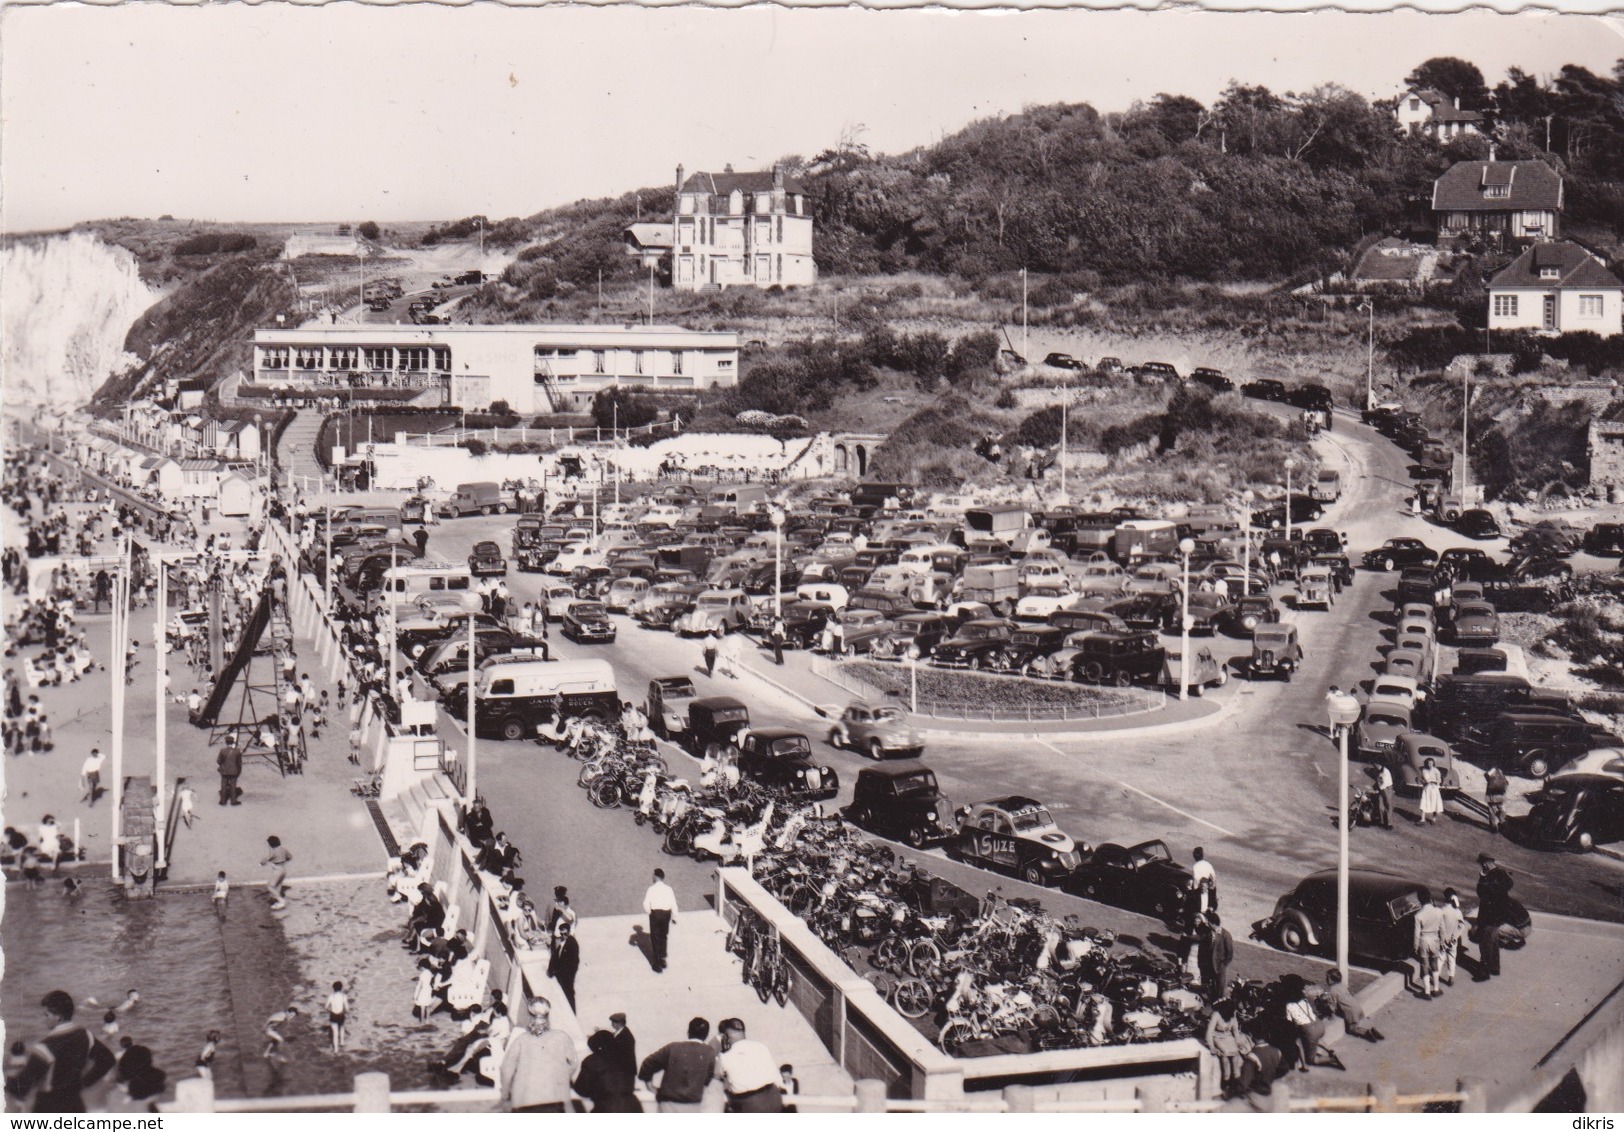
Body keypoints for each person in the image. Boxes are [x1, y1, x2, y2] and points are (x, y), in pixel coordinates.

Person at [5, 990, 117, 1112]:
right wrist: (84, 1083)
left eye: (47, 1014)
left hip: (48, 1106)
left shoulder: (45, 1048)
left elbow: (21, 1087)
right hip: (75, 1104)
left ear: (58, 1017)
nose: (44, 1018)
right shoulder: (85, 1035)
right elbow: (108, 1060)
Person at [498, 998, 579, 1113]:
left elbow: (506, 1069)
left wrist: (505, 1096)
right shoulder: (562, 1037)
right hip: (554, 1098)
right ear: (548, 1014)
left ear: (529, 1015)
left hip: (524, 1099)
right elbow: (573, 1063)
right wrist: (560, 1077)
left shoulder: (521, 1039)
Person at [639, 1017, 718, 1113]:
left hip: (668, 1104)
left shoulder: (673, 1047)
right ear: (706, 1035)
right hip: (693, 1105)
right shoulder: (709, 1052)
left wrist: (649, 1085)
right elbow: (707, 1079)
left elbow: (648, 1063)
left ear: (688, 1031)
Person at [716, 1019, 782, 1112]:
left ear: (726, 1037)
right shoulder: (760, 1046)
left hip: (752, 1103)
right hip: (774, 1096)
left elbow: (716, 1076)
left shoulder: (725, 1057)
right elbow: (775, 1075)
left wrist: (723, 1051)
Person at [574, 1030, 643, 1113]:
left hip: (606, 1107)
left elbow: (581, 1090)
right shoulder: (625, 1057)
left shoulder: (591, 1061)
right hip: (633, 1107)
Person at [1475, 854, 1514, 980]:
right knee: (1494, 941)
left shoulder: (1488, 877)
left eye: (1482, 864)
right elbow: (1510, 884)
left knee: (1486, 943)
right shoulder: (1502, 874)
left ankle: (1484, 972)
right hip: (1499, 914)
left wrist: (1481, 877)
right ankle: (1494, 967)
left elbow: (1481, 892)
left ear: (1485, 863)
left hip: (1488, 915)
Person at [1204, 998, 1255, 1092]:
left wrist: (1238, 1042)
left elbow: (1235, 1031)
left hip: (1228, 1037)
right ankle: (1226, 1078)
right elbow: (1209, 1032)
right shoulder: (1216, 1015)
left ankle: (1236, 1078)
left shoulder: (1233, 1014)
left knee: (1235, 1052)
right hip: (1218, 1037)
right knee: (1225, 1054)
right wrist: (1212, 1047)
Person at [1322, 969, 1383, 1042]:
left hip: (1350, 1011)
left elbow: (1332, 1006)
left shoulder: (1332, 990)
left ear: (1332, 980)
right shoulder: (1342, 985)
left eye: (1327, 978)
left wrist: (1327, 1007)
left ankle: (1366, 1033)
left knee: (1351, 1029)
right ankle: (1372, 1031)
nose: (1326, 980)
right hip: (1357, 1007)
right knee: (1355, 1025)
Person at [1413, 887, 1446, 998]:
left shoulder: (1418, 915)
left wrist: (1415, 946)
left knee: (1425, 965)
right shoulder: (1439, 911)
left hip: (1423, 940)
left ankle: (1426, 992)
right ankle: (1436, 989)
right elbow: (1442, 928)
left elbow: (1416, 934)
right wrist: (1442, 941)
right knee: (1434, 963)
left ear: (1420, 900)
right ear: (1430, 898)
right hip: (1435, 939)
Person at [643, 868, 677, 973]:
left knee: (655, 937)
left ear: (656, 876)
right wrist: (674, 916)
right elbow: (673, 903)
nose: (652, 877)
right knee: (663, 936)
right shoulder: (669, 889)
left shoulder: (651, 889)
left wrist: (650, 913)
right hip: (666, 914)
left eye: (653, 875)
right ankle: (662, 959)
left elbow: (645, 903)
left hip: (655, 914)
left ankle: (656, 963)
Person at [1198, 911, 1234, 1002]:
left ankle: (1218, 1002)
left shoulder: (1225, 935)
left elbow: (1230, 953)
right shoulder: (1209, 932)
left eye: (1208, 922)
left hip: (1219, 965)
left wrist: (1223, 963)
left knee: (1220, 985)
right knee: (1209, 983)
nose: (1207, 923)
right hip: (1209, 963)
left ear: (1213, 923)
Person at [1439, 888, 1467, 987]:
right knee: (1452, 958)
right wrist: (1454, 936)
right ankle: (1451, 977)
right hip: (1453, 940)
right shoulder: (1457, 912)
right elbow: (1461, 926)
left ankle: (1436, 975)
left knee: (1440, 958)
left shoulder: (1441, 911)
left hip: (1442, 940)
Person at [261, 836, 292, 910]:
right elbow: (290, 857)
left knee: (270, 886)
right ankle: (276, 900)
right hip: (283, 869)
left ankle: (281, 901)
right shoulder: (284, 849)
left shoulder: (273, 851)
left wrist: (261, 863)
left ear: (271, 844)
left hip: (277, 870)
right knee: (277, 886)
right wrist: (284, 861)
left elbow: (265, 860)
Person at [606, 1013, 636, 1078]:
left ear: (619, 1023)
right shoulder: (622, 1033)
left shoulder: (625, 1036)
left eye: (613, 1022)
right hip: (624, 1071)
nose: (611, 1024)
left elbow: (616, 1052)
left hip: (624, 1072)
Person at [216, 733, 243, 806]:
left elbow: (218, 761)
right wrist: (238, 770)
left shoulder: (222, 751)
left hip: (224, 770)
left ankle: (223, 801)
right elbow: (239, 762)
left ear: (226, 742)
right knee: (233, 785)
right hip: (234, 771)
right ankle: (233, 801)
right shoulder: (237, 751)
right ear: (233, 742)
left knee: (224, 785)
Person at [1418, 757, 1444, 824]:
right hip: (1427, 788)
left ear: (1433, 763)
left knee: (1435, 803)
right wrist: (1426, 781)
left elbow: (1439, 780)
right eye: (1429, 763)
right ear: (1426, 763)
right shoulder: (1424, 770)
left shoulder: (1436, 771)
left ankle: (1434, 819)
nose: (1430, 764)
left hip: (1434, 789)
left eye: (1431, 763)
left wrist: (1435, 782)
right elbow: (1425, 779)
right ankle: (1422, 819)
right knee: (1424, 802)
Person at [1484, 766, 1509, 835]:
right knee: (1502, 810)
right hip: (1500, 795)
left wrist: (1491, 781)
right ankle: (1500, 822)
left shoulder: (1493, 769)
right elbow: (1506, 782)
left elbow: (1486, 775)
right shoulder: (1501, 771)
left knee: (1492, 811)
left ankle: (1494, 826)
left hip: (1493, 795)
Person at [326, 981, 349, 1054]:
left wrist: (329, 1010)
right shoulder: (343, 996)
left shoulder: (331, 996)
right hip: (341, 1015)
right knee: (341, 1027)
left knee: (335, 1033)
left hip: (333, 1015)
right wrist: (346, 1012)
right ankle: (342, 1042)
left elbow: (326, 1007)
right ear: (341, 988)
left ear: (333, 988)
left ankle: (336, 1049)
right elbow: (347, 1008)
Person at [1372, 763, 1394, 830]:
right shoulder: (1377, 770)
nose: (1375, 766)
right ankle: (1382, 822)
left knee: (1388, 805)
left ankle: (1389, 824)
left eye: (1376, 764)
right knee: (1380, 805)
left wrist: (1378, 790)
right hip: (1382, 788)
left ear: (1379, 764)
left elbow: (1384, 783)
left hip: (1387, 788)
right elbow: (1378, 781)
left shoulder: (1385, 771)